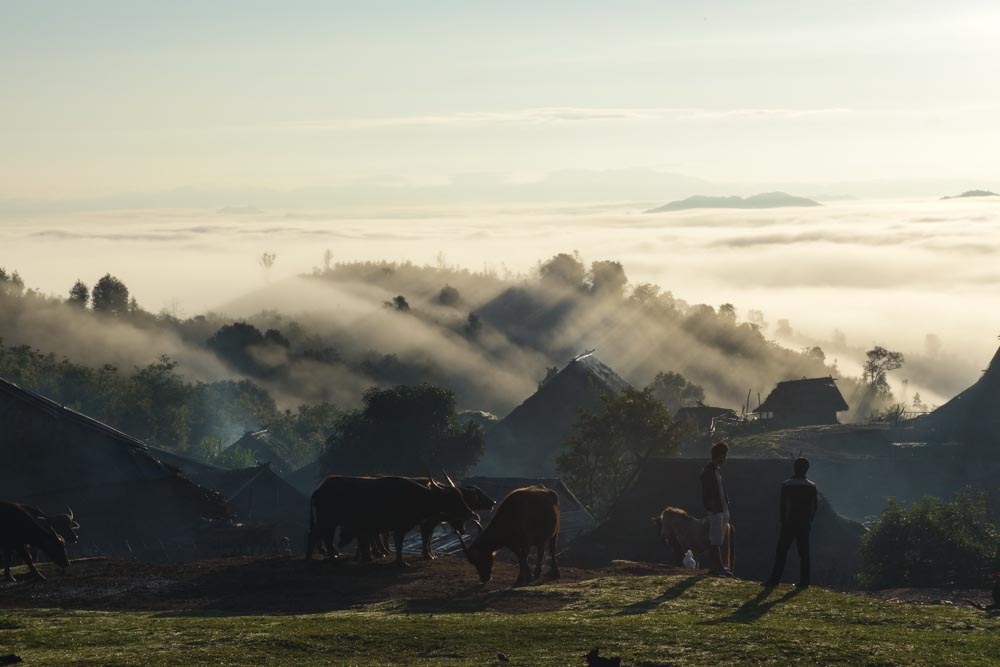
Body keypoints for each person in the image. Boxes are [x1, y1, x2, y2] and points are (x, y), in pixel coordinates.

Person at [763, 457, 818, 589]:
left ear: (794, 468)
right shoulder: (811, 486)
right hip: (804, 523)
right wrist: (809, 520)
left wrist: (783, 521)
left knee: (781, 551)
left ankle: (774, 580)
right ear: (807, 469)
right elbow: (814, 507)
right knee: (804, 553)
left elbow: (783, 506)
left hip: (789, 522)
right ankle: (805, 582)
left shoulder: (787, 484)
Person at [699, 441, 732, 576]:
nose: (725, 459)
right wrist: (712, 507)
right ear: (720, 456)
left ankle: (719, 567)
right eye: (724, 456)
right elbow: (707, 493)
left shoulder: (715, 471)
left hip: (722, 510)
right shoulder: (708, 472)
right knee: (715, 541)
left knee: (718, 540)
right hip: (716, 510)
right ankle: (717, 568)